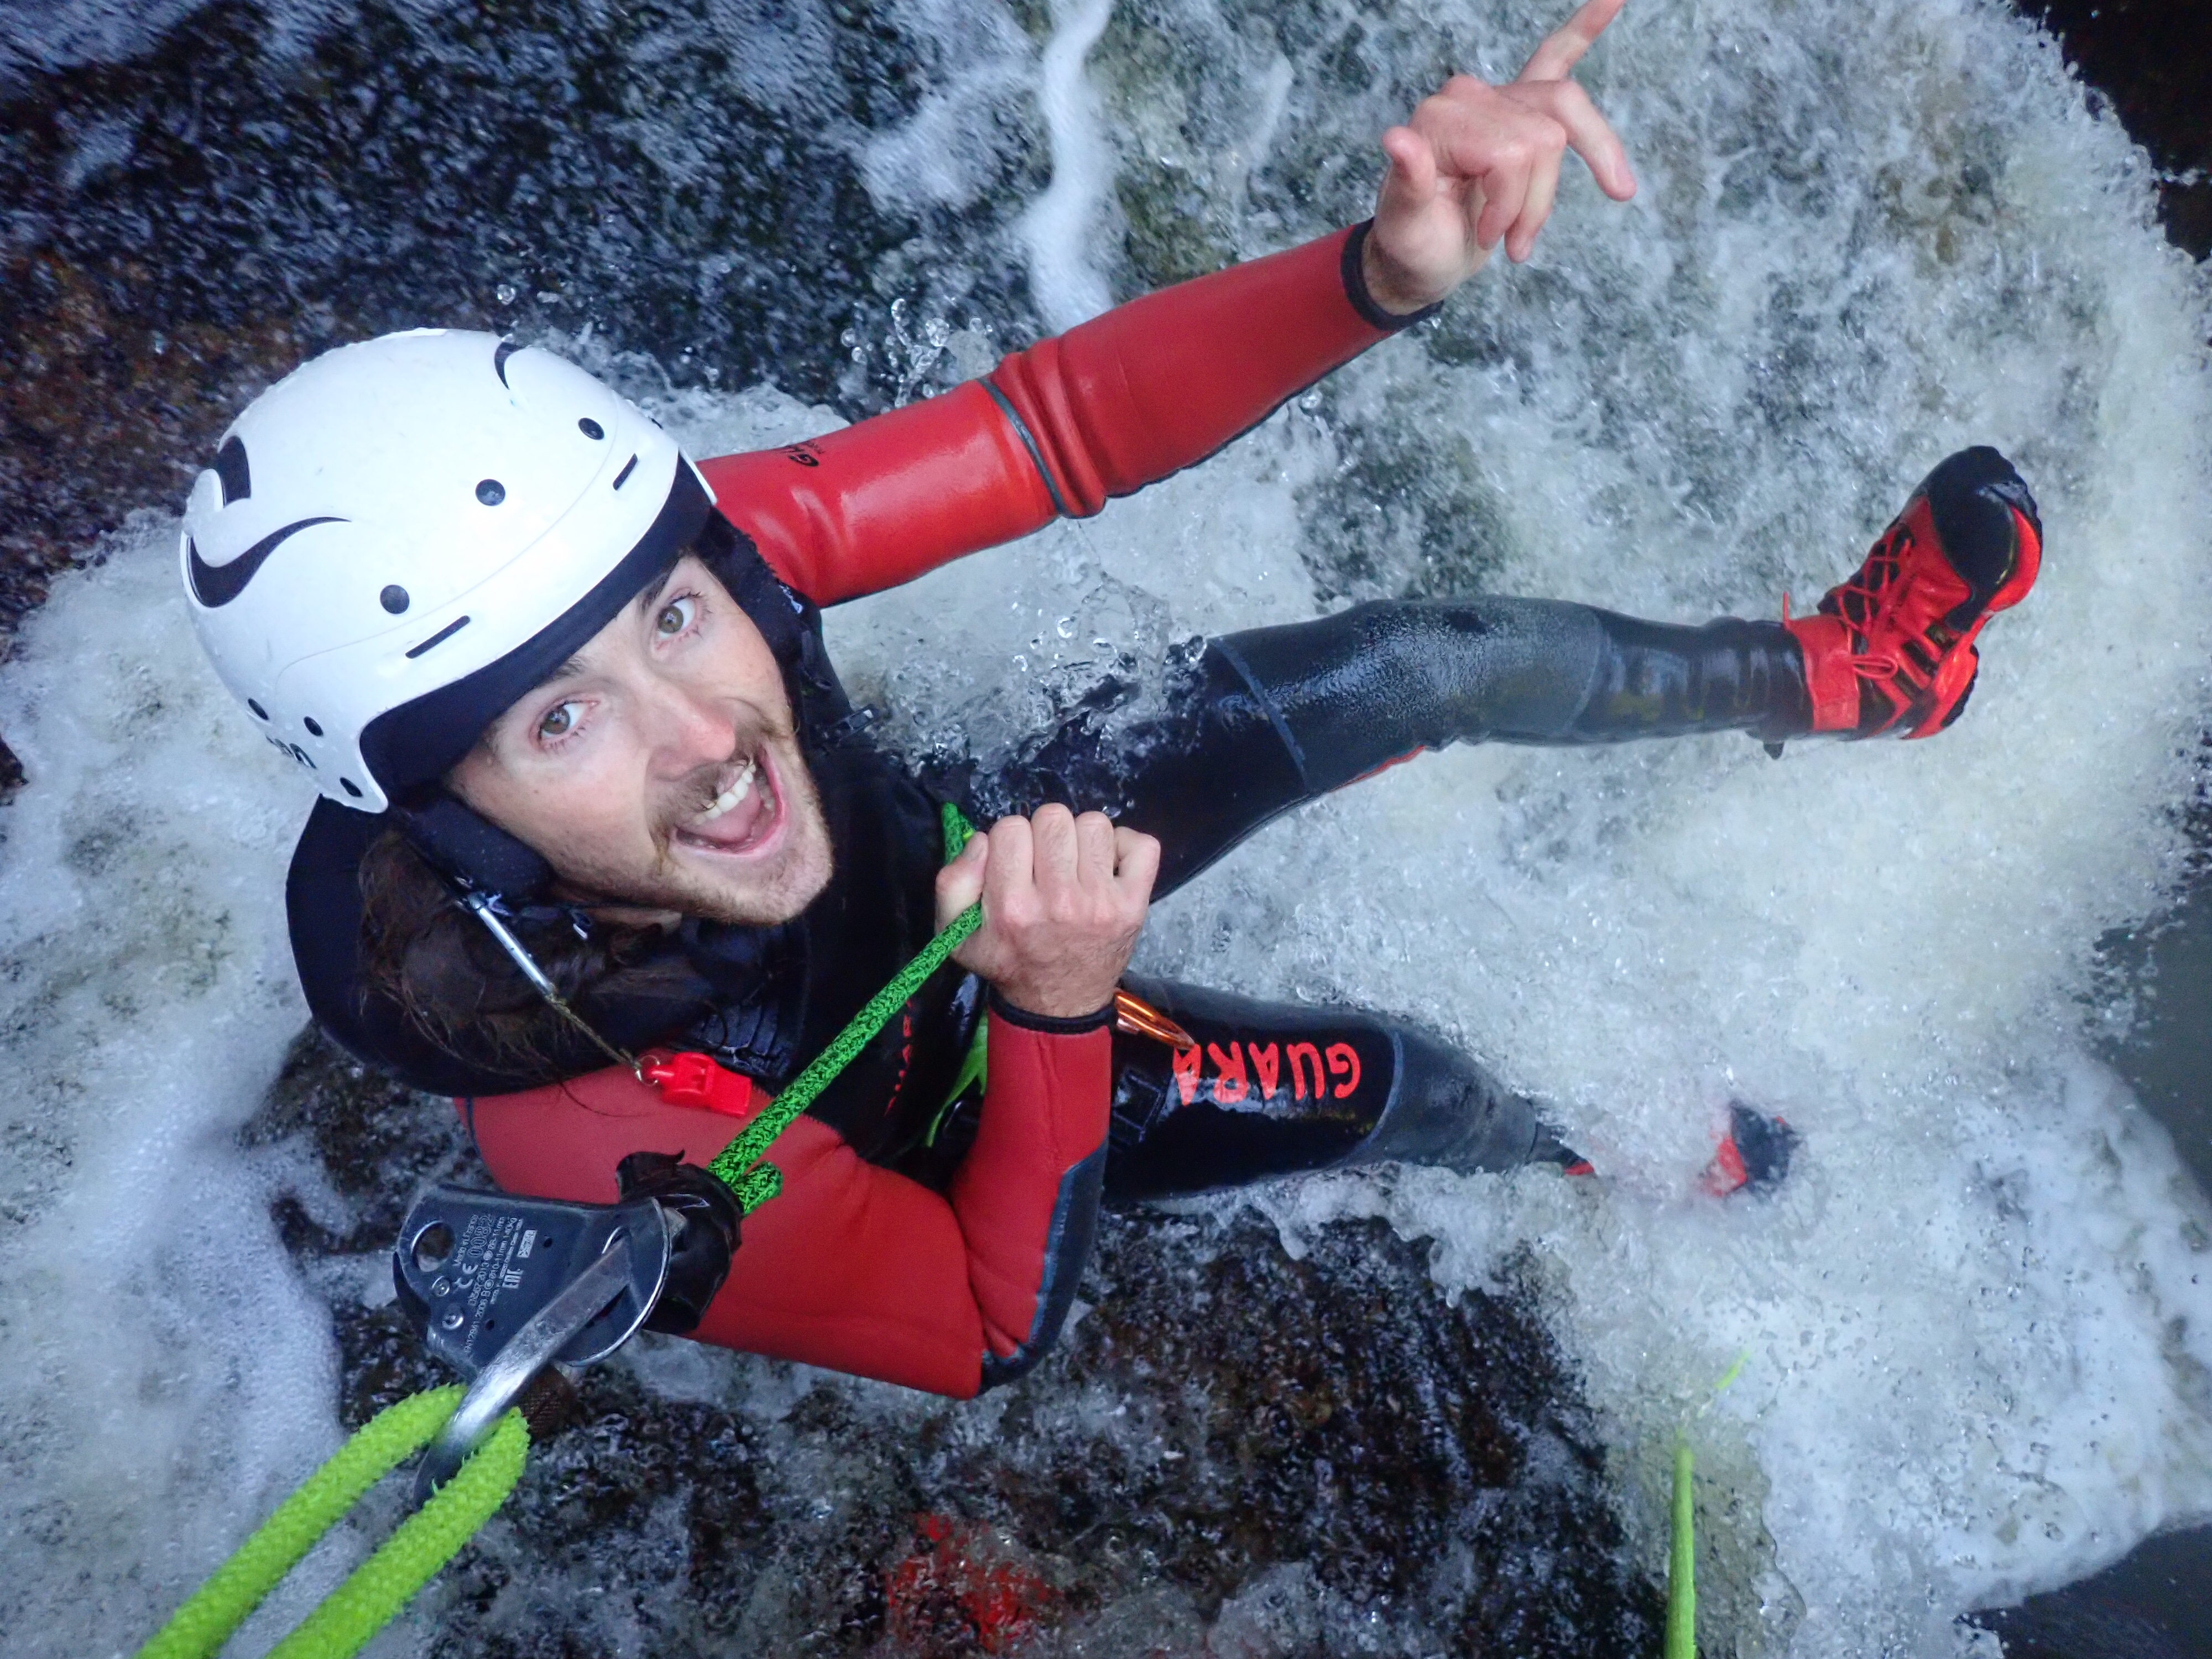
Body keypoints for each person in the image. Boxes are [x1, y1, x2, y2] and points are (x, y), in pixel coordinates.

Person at [180, 0, 2041, 1397]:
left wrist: (1378, 276)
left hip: (967, 857)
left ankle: (1855, 674)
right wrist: (1057, 1006)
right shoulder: (582, 1135)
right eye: (557, 724)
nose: (707, 739)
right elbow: (989, 1324)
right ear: (447, 818)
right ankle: (1629, 1159)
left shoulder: (681, 548)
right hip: (975, 1077)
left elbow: (1054, 428)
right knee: (1406, 1080)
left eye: (673, 621)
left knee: (1426, 660)